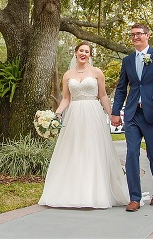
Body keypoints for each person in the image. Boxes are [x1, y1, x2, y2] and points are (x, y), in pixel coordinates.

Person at [38, 42, 130, 208]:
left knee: (92, 149)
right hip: (74, 115)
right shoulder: (67, 75)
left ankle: (95, 193)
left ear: (90, 55)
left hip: (93, 113)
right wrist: (56, 114)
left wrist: (112, 114)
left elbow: (102, 96)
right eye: (81, 50)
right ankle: (72, 192)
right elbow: (66, 98)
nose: (84, 54)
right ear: (75, 53)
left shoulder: (97, 73)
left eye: (87, 52)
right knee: (74, 150)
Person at [111, 23, 153, 212]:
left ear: (148, 35)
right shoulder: (128, 61)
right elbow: (122, 88)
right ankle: (135, 198)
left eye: (139, 34)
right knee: (131, 154)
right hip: (132, 114)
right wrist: (115, 112)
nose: (135, 37)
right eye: (132, 35)